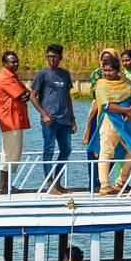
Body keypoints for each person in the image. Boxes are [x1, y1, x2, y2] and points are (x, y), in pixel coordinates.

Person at [88, 55, 131, 195]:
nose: (107, 73)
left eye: (110, 70)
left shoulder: (125, 82)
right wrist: (127, 110)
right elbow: (106, 105)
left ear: (117, 70)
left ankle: (121, 181)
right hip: (109, 121)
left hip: (126, 123)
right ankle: (104, 185)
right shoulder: (101, 84)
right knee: (106, 152)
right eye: (105, 70)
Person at [31, 44, 76, 193]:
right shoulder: (42, 74)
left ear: (60, 58)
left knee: (66, 150)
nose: (51, 59)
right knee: (49, 149)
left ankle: (57, 181)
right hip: (49, 120)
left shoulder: (65, 74)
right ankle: (49, 184)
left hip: (65, 119)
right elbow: (33, 96)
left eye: (54, 57)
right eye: (49, 56)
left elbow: (68, 97)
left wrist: (73, 119)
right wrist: (43, 114)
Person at [0, 50, 33, 194]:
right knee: (10, 153)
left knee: (12, 152)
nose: (16, 64)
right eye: (13, 62)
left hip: (15, 119)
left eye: (17, 61)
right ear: (4, 63)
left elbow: (26, 93)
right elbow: (22, 94)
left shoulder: (13, 76)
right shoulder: (5, 77)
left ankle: (6, 185)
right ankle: (3, 186)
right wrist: (26, 94)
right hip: (10, 119)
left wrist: (27, 94)